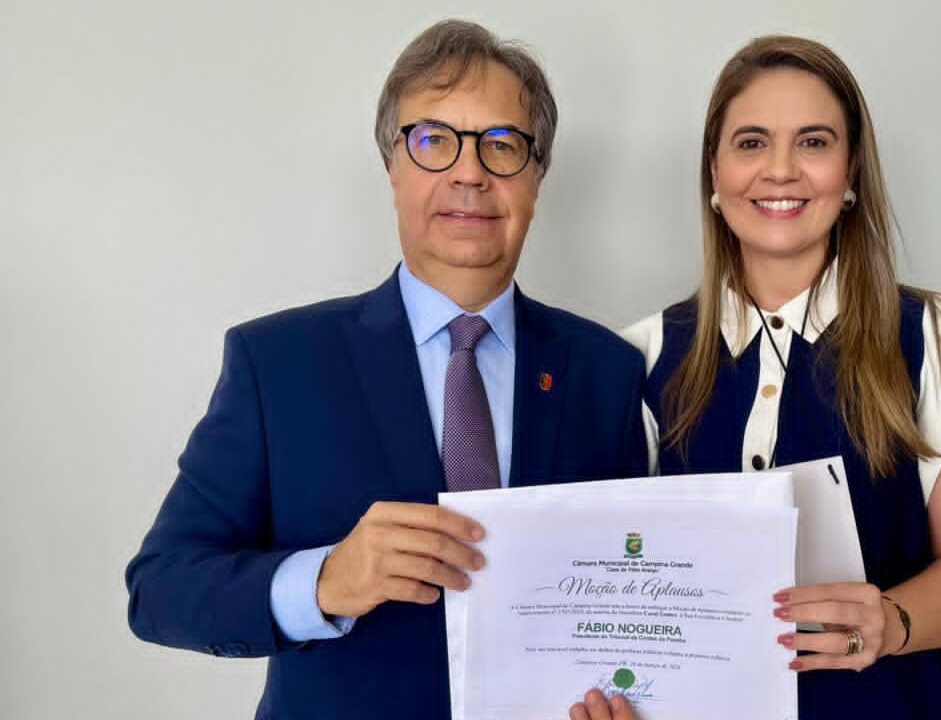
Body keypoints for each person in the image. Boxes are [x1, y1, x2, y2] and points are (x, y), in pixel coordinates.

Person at [125, 19, 648, 720]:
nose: (469, 172)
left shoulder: (606, 371)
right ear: (391, 166)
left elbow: (636, 590)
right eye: (434, 140)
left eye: (501, 144)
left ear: (537, 176)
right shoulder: (277, 364)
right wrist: (322, 582)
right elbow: (160, 589)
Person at [586, 35, 941, 720]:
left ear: (851, 173)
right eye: (751, 143)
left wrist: (890, 620)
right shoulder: (641, 355)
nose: (780, 170)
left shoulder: (934, 338)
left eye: (813, 142)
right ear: (714, 172)